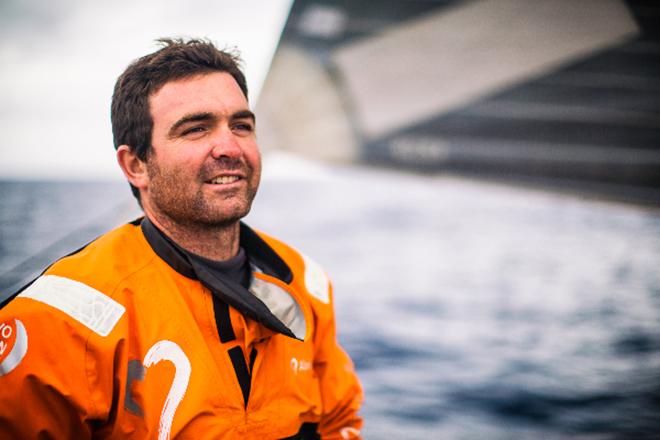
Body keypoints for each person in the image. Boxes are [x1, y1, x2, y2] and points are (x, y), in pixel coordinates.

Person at [0, 38, 363, 439]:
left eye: (241, 125)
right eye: (196, 129)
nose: (230, 147)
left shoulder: (305, 282)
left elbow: (339, 420)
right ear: (136, 164)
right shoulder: (55, 322)